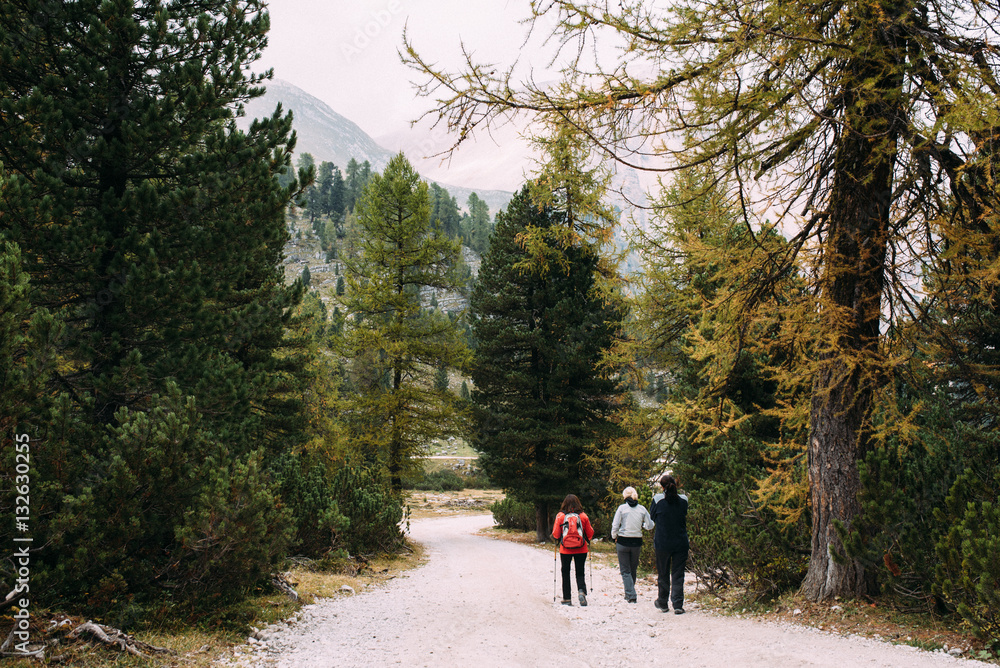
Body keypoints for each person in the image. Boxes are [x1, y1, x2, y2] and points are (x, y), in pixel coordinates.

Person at [650, 474, 689, 614]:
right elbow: (684, 513)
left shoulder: (657, 499)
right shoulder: (684, 500)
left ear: (661, 486)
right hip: (680, 541)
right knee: (678, 574)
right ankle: (678, 604)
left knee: (663, 573)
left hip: (663, 541)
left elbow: (652, 517)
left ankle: (662, 602)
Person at [610, 486, 654, 603]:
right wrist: (643, 526)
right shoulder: (642, 509)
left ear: (625, 496)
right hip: (636, 542)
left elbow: (615, 525)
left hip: (623, 541)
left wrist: (614, 536)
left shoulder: (622, 508)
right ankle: (630, 592)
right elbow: (650, 525)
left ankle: (631, 594)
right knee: (633, 569)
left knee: (625, 570)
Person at [552, 493, 595, 606]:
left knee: (565, 572)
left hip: (565, 549)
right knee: (580, 572)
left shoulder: (560, 516)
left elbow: (556, 534)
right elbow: (590, 534)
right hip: (581, 549)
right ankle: (581, 591)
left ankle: (567, 598)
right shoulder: (583, 516)